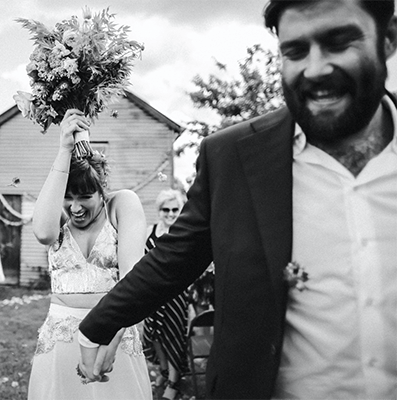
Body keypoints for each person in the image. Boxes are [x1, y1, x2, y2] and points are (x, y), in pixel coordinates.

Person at [78, 1, 397, 399]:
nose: (315, 69)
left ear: (388, 39)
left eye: (339, 42)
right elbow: (175, 258)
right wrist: (98, 325)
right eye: (296, 51)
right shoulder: (232, 157)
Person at [27, 109, 152, 400]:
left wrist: (111, 339)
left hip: (113, 333)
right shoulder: (56, 214)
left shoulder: (121, 205)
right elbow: (43, 233)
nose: (75, 208)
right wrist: (64, 149)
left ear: (101, 189)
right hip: (61, 339)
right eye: (68, 197)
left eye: (85, 197)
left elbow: (133, 280)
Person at [141, 189, 189, 400]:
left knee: (173, 337)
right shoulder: (149, 231)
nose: (170, 214)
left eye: (175, 209)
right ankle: (163, 370)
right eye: (165, 209)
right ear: (159, 211)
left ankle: (174, 381)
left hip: (175, 295)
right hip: (153, 294)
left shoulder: (183, 233)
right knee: (154, 336)